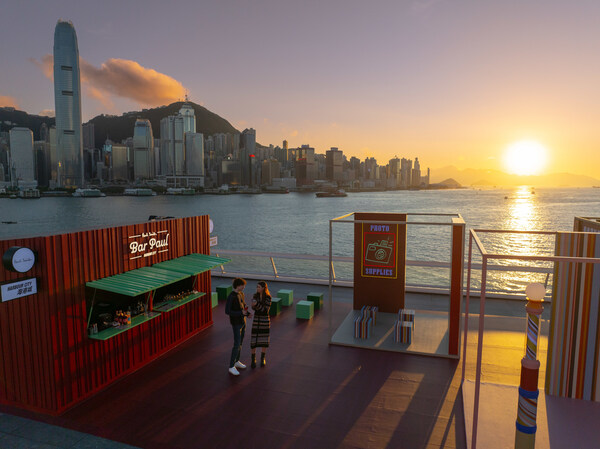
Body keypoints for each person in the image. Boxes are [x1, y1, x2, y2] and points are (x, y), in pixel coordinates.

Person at [225, 278, 250, 376]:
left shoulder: (241, 294)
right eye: (243, 285)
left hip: (242, 322)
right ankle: (231, 366)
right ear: (238, 285)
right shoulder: (231, 296)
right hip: (236, 323)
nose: (244, 287)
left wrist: (247, 313)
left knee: (240, 343)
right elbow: (227, 311)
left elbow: (243, 306)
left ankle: (237, 361)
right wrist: (241, 313)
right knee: (236, 344)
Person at [250, 281, 272, 368]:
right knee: (254, 340)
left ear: (263, 288)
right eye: (257, 287)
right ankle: (253, 359)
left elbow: (265, 310)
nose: (257, 288)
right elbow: (253, 308)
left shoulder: (268, 297)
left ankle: (263, 358)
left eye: (258, 287)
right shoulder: (255, 296)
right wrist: (253, 305)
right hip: (256, 320)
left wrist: (256, 305)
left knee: (264, 340)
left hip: (265, 321)